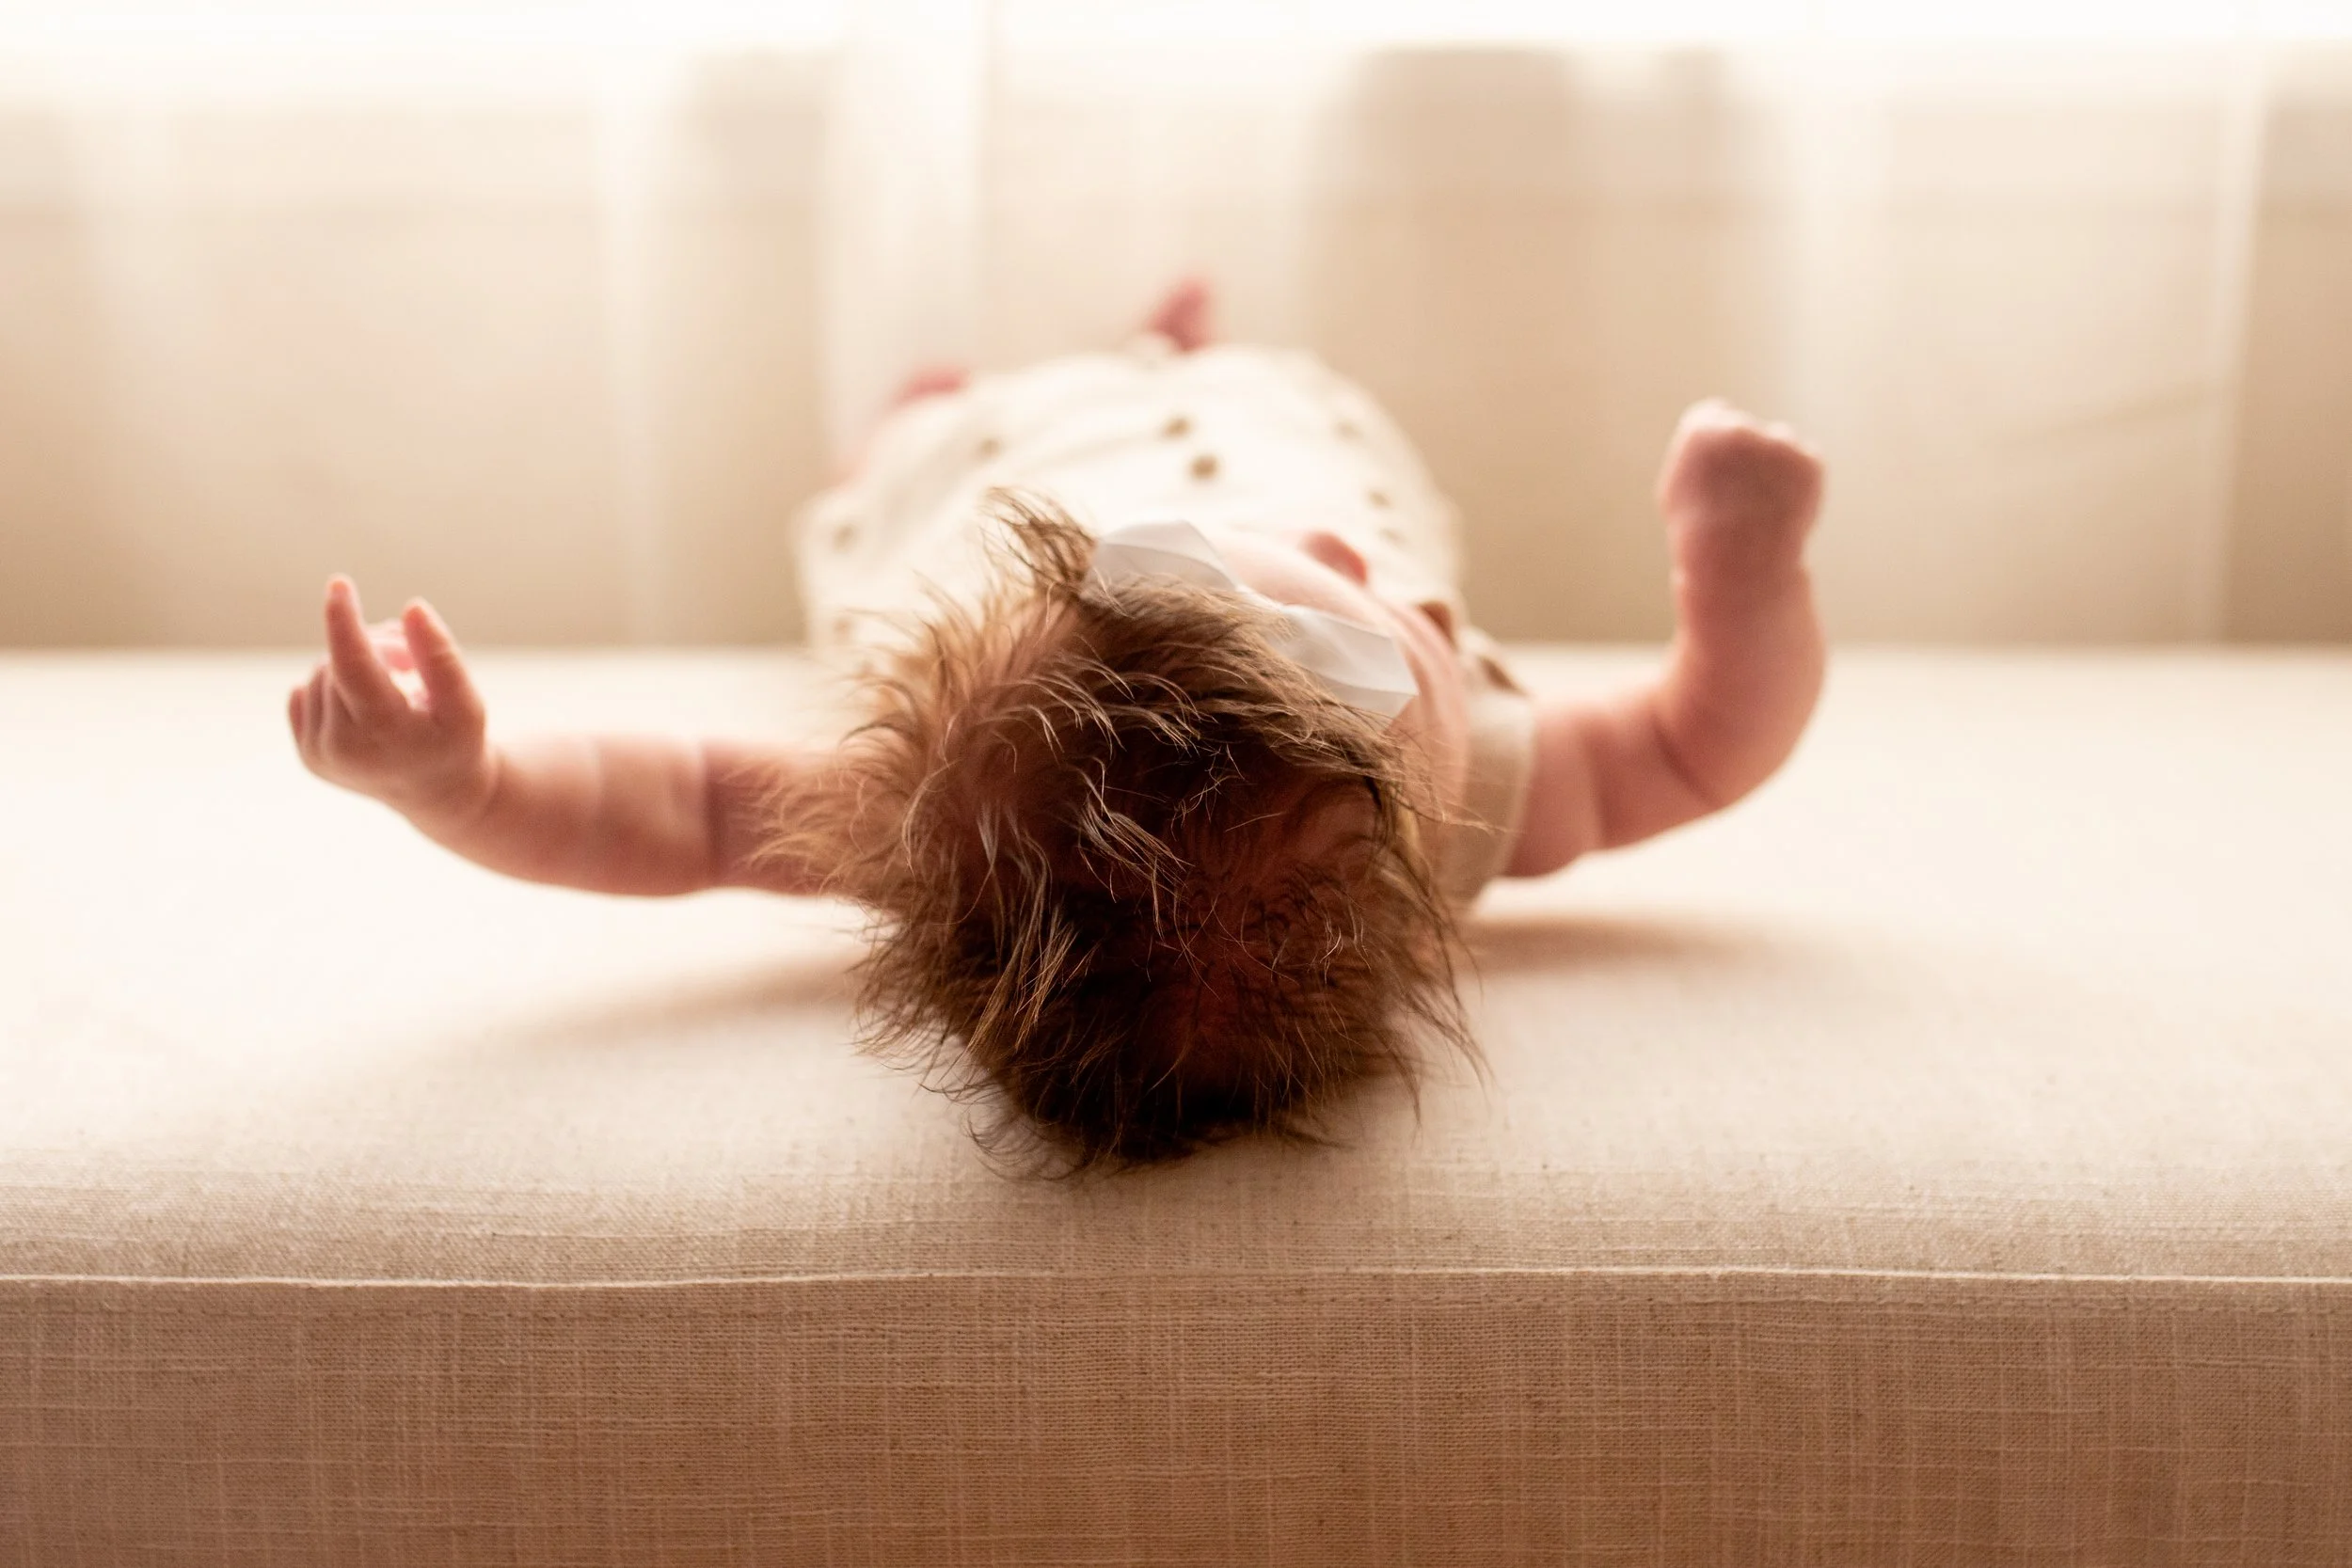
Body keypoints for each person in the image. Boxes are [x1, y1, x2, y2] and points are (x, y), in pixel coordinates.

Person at [289, 281, 1825, 1168]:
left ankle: (931, 414)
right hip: (1277, 425)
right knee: (1244, 382)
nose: (1362, 562)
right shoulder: (1493, 792)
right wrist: (1742, 572)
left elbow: (674, 806)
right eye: (1395, 643)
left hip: (995, 479)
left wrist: (461, 777)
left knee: (916, 441)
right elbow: (1705, 743)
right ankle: (1175, 353)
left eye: (1324, 585)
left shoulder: (940, 811)